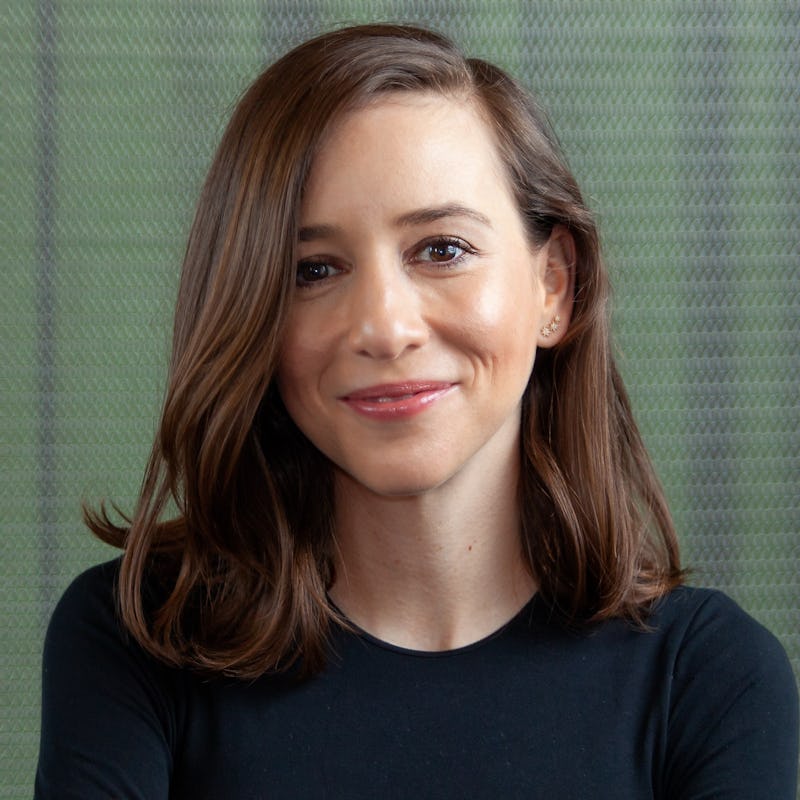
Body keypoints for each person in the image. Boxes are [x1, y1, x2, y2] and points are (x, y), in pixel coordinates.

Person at [35, 23, 798, 799]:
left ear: (553, 288)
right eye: (313, 269)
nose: (384, 328)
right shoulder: (136, 642)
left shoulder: (709, 677)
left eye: (442, 250)